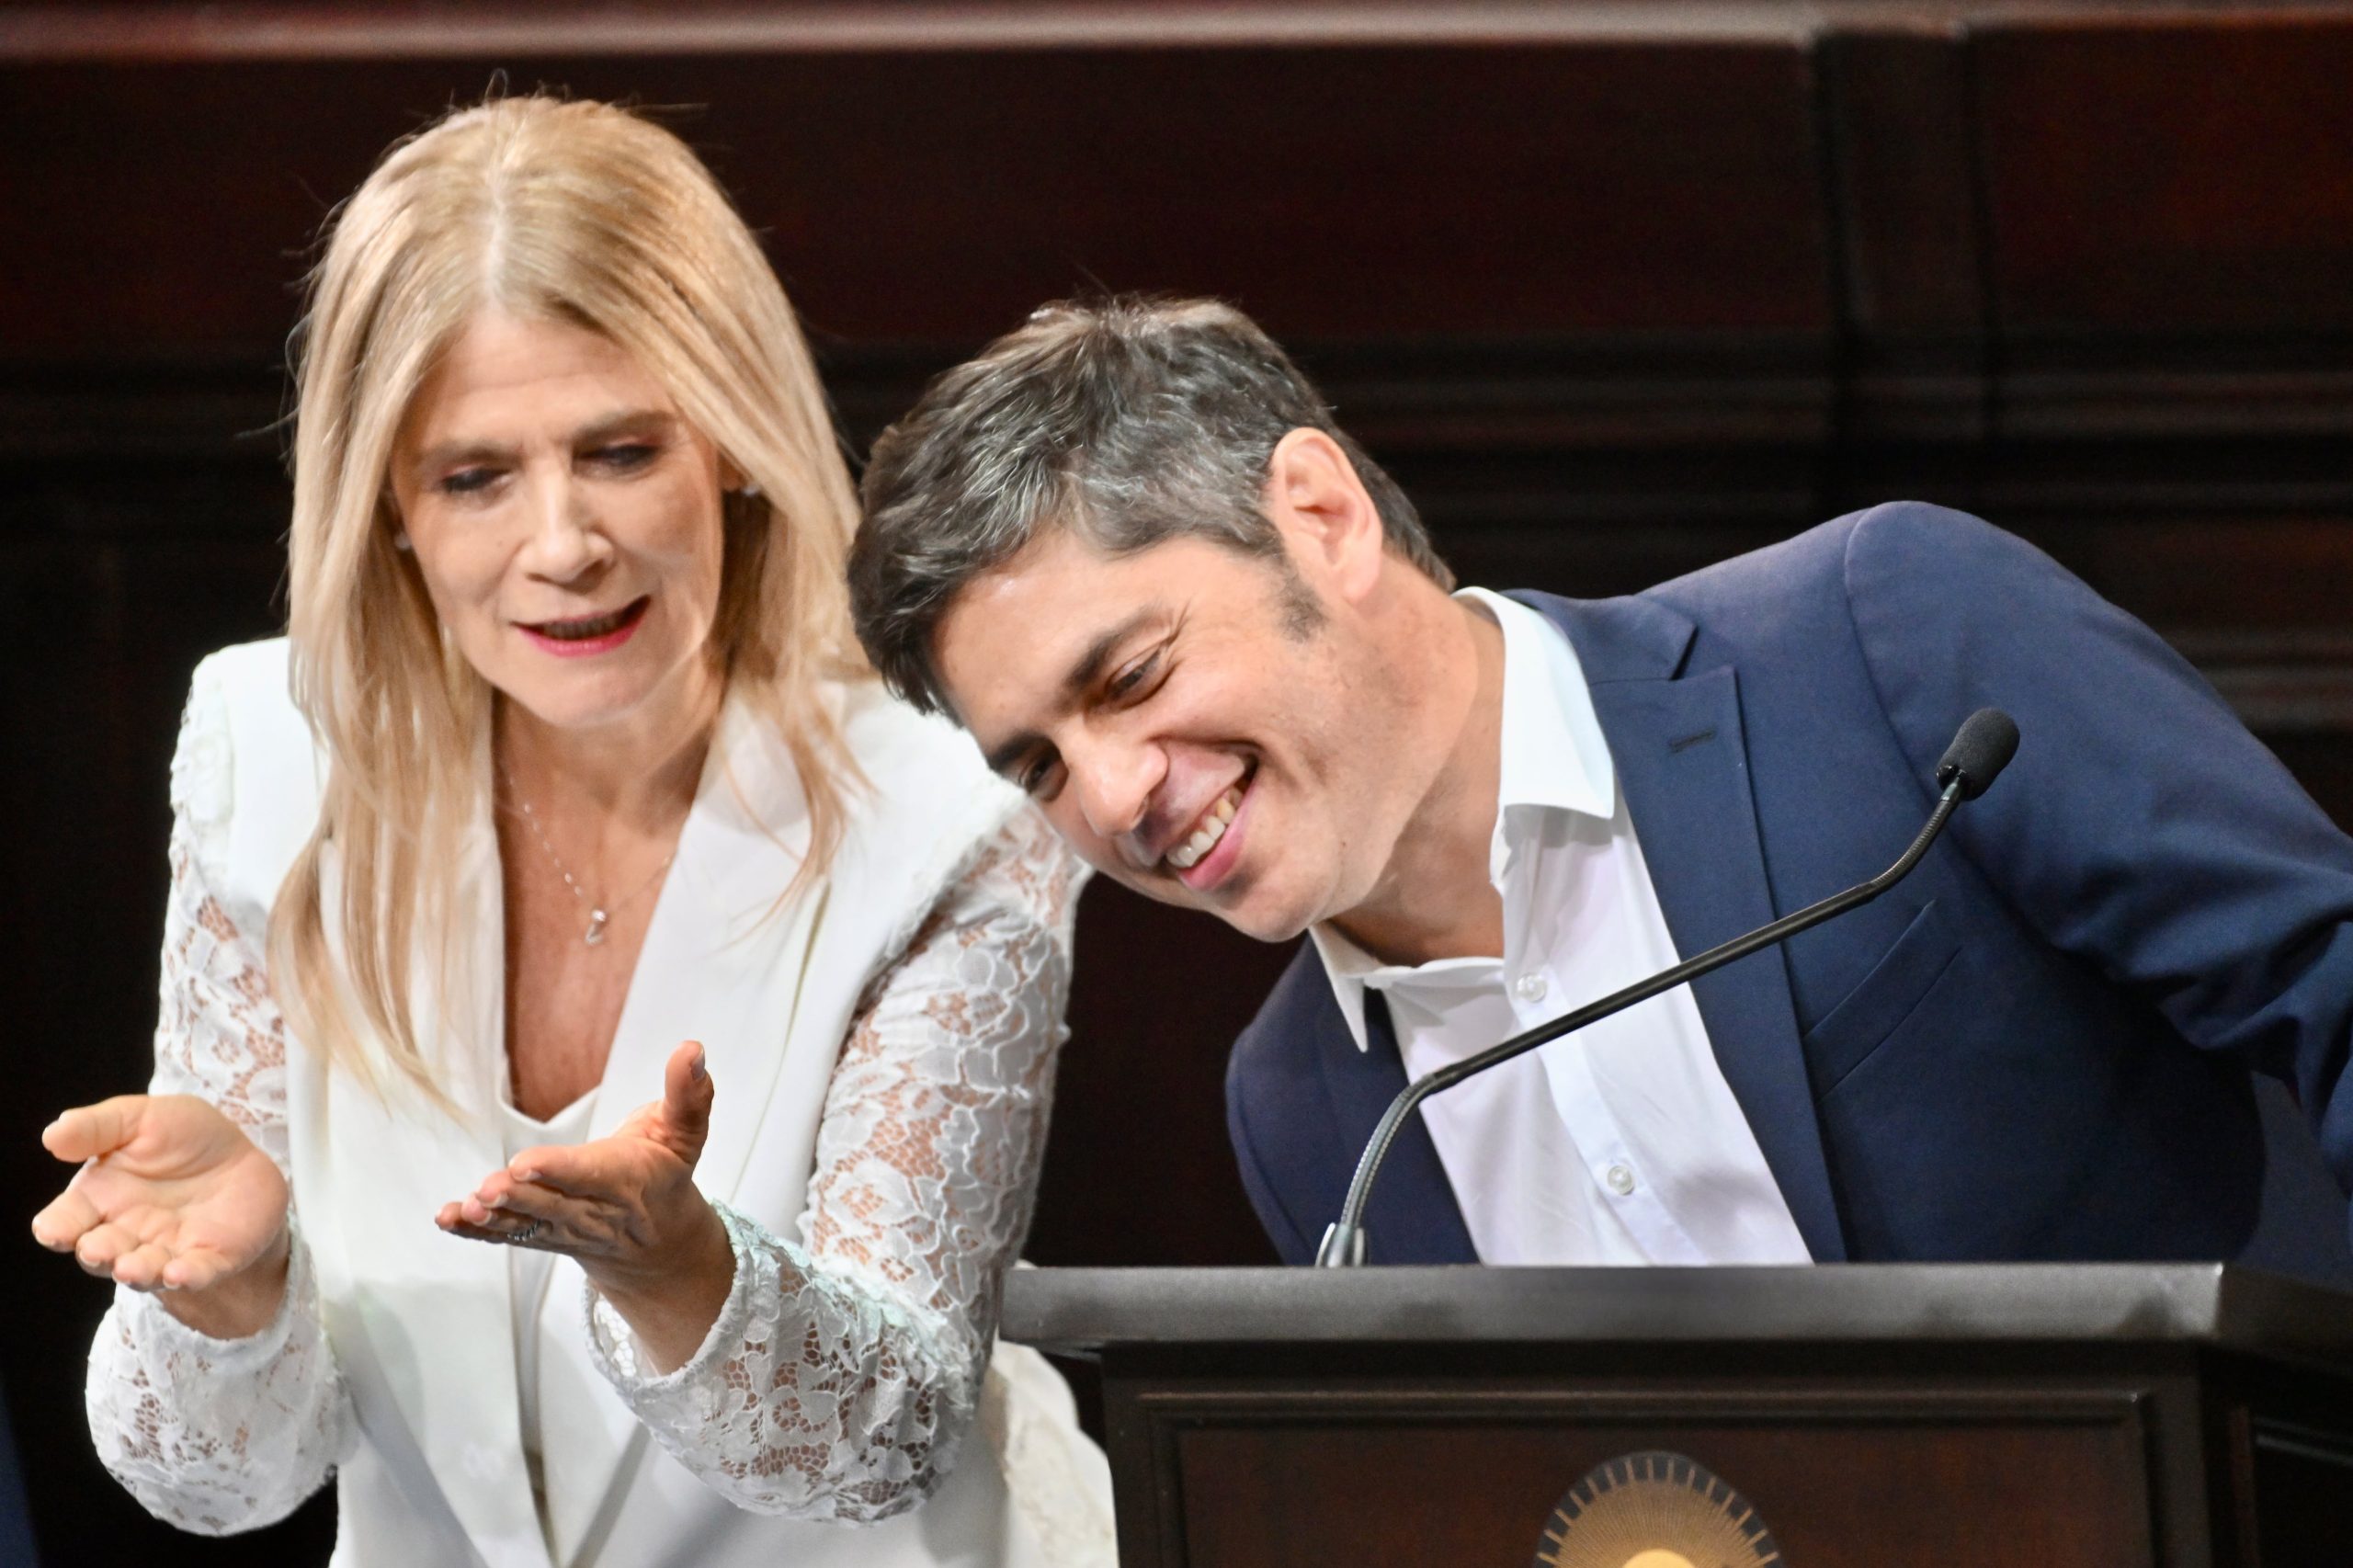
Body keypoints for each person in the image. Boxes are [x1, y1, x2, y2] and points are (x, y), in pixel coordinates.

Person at [30, 98, 1112, 1568]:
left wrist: (682, 1275)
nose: (562, 546)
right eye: (474, 477)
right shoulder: (268, 757)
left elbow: (890, 1435)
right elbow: (215, 1486)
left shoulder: (952, 802)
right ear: (390, 506)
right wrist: (231, 1294)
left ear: (730, 438)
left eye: (618, 451)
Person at [847, 295, 2353, 1278]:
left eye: (1130, 675)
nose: (1113, 797)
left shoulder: (1879, 633)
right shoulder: (1300, 1112)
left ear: (1320, 516)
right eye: (1039, 762)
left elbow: (2330, 976)